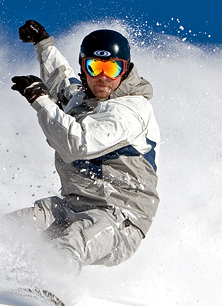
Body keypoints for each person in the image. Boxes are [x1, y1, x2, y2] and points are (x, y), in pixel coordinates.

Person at [9, 20, 160, 274]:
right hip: (72, 207)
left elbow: (78, 143)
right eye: (94, 66)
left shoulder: (130, 110)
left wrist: (39, 99)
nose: (102, 76)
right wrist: (43, 45)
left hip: (120, 217)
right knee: (16, 227)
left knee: (70, 244)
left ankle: (47, 296)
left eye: (111, 69)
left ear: (124, 70)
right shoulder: (84, 98)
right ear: (84, 68)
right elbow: (62, 84)